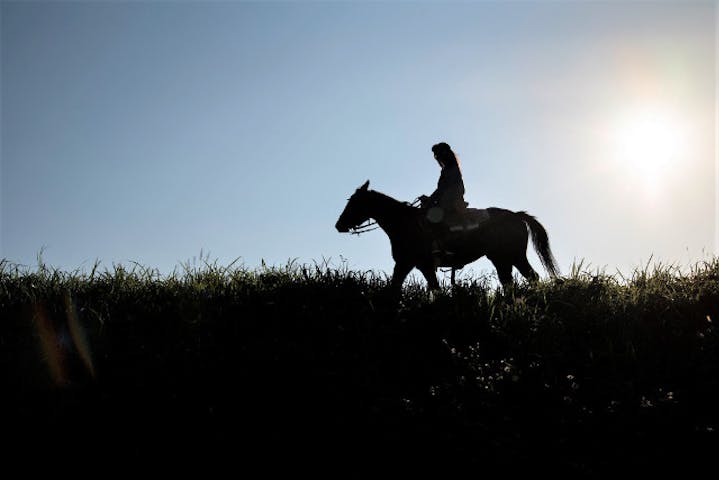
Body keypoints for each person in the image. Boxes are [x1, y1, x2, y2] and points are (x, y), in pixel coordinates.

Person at [419, 142, 468, 260]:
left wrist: (432, 200)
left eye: (437, 155)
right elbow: (440, 190)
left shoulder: (452, 169)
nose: (437, 158)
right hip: (446, 200)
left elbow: (447, 189)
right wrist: (430, 199)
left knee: (433, 217)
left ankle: (446, 247)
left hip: (452, 202)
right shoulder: (447, 169)